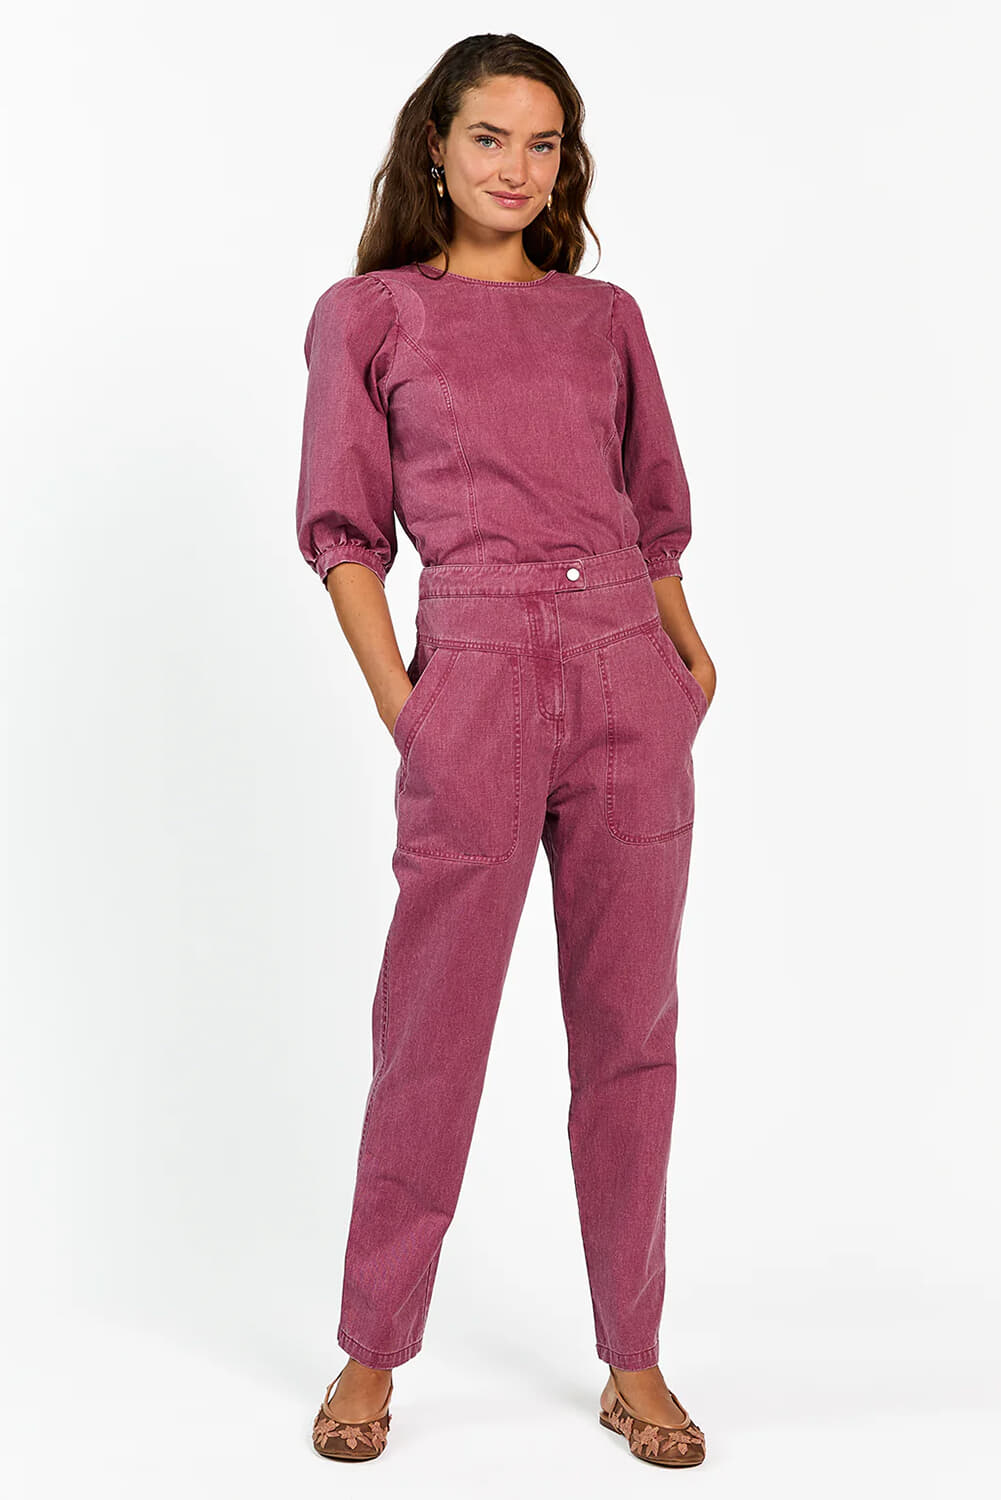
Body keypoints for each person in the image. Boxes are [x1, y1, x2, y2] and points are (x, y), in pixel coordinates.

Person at [296, 33, 715, 1469]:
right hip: (470, 670)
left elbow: (652, 510)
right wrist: (406, 705)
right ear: (435, 144)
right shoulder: (371, 314)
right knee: (430, 1031)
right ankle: (371, 1349)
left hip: (626, 674)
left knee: (630, 1035)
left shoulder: (604, 316)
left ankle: (634, 1358)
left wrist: (685, 659)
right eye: (489, 138)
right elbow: (344, 535)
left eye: (542, 145)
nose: (515, 169)